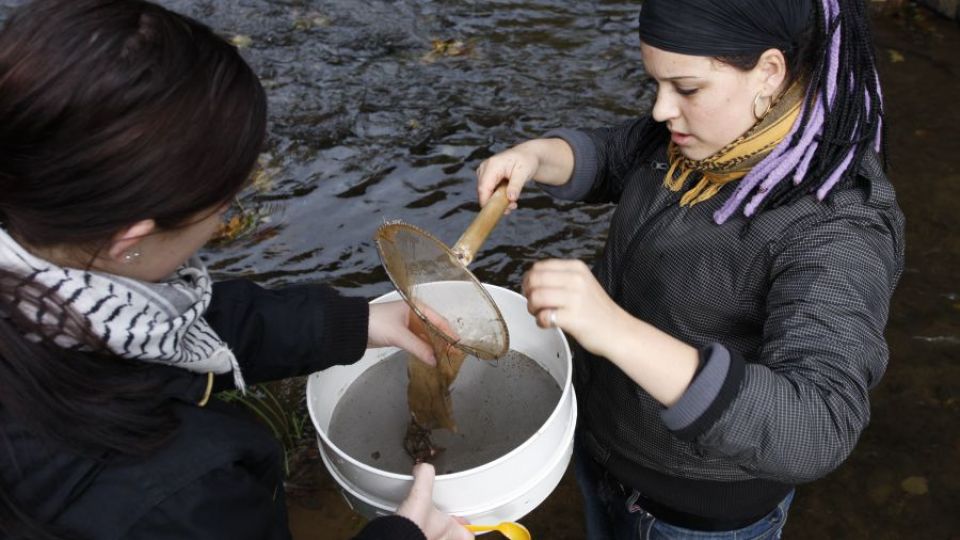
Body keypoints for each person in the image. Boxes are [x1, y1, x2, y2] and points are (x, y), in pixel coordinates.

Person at [0, 1, 471, 539]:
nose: (228, 214)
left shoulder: (46, 261)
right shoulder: (174, 499)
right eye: (221, 201)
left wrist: (353, 323)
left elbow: (183, 330)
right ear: (128, 242)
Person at [476, 0, 904, 538]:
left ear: (769, 72)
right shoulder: (701, 135)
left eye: (686, 88)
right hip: (606, 446)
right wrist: (537, 157)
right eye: (655, 83)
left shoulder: (838, 226)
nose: (660, 110)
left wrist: (613, 330)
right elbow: (619, 153)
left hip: (696, 514)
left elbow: (816, 425)